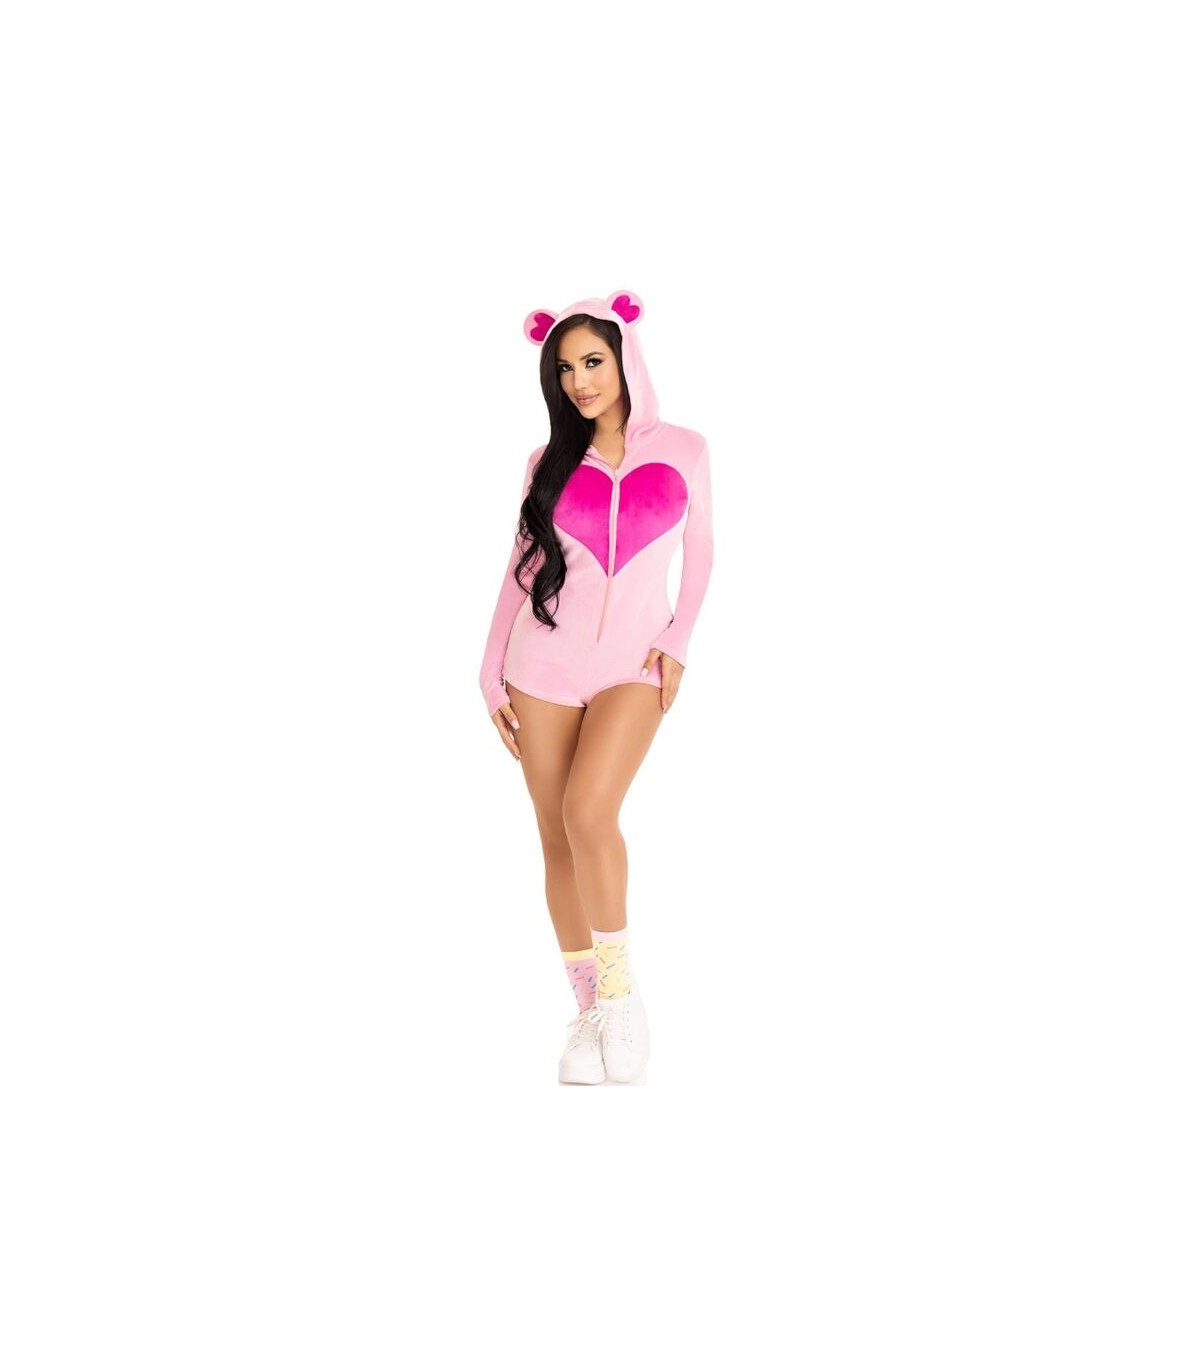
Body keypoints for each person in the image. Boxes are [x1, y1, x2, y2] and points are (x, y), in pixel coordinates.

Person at [478, 290, 715, 1086]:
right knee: (556, 834)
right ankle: (588, 1010)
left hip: (633, 667)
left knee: (589, 812)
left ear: (624, 359)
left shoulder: (685, 450)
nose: (579, 381)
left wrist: (678, 639)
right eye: (564, 368)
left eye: (592, 362)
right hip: (540, 666)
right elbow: (522, 570)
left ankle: (620, 996)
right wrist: (488, 671)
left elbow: (703, 553)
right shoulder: (546, 463)